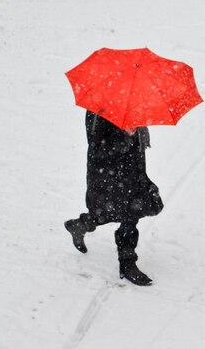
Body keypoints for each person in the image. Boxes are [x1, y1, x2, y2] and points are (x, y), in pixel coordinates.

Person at [64, 111, 164, 286]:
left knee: (132, 213)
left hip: (132, 169)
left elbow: (139, 138)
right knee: (107, 212)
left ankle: (127, 263)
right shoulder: (98, 109)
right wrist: (124, 135)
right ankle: (81, 225)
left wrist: (135, 132)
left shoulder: (133, 100)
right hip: (108, 174)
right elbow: (98, 147)